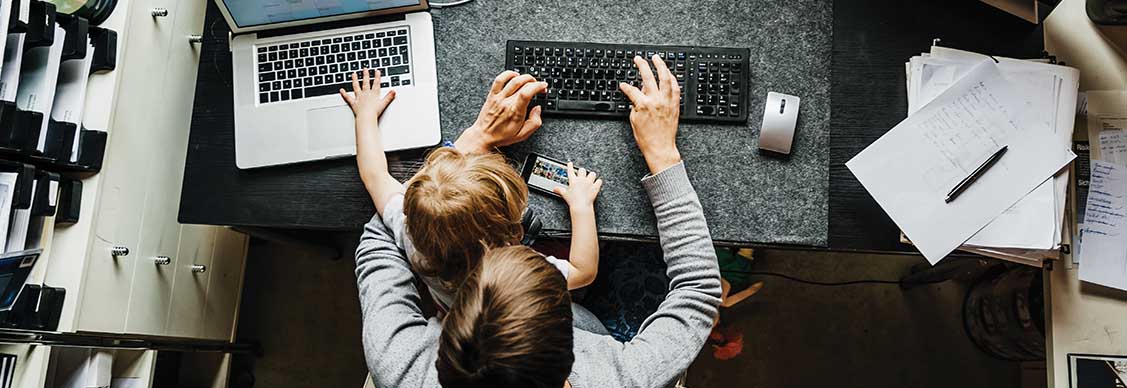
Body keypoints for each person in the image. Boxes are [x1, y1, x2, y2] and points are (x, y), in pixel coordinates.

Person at [353, 54, 722, 387]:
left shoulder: (400, 367)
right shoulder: (620, 377)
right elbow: (699, 290)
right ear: (567, 353)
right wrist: (662, 154)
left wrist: (469, 147)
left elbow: (379, 240)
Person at [339, 69, 604, 310]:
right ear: (511, 229)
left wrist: (365, 115)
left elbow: (374, 175)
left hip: (454, 307)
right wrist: (581, 207)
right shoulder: (517, 272)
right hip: (511, 307)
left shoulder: (409, 228)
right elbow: (583, 272)